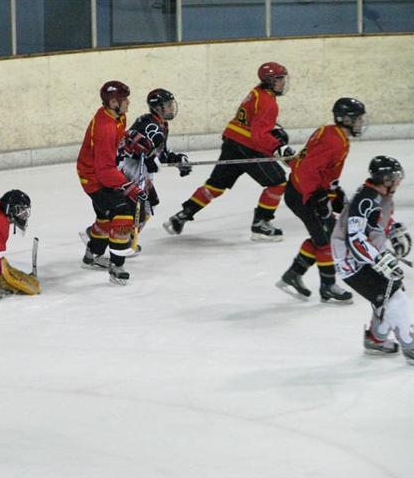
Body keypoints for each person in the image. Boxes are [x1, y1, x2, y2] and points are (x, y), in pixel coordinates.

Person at [163, 62, 292, 241]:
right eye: (279, 79)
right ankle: (261, 225)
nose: (283, 82)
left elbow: (254, 123)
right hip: (248, 148)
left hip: (232, 143)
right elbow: (259, 135)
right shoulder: (268, 102)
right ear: (269, 80)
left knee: (216, 185)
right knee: (278, 182)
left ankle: (182, 216)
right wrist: (279, 147)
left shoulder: (256, 92)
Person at [276, 98, 366, 303]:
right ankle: (328, 286)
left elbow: (313, 164)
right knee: (327, 239)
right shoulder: (335, 142)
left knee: (322, 236)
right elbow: (307, 170)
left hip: (302, 191)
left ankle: (293, 275)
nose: (361, 122)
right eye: (358, 118)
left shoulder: (328, 131)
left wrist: (333, 191)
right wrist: (317, 198)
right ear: (346, 119)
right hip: (303, 195)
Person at [331, 156, 413, 365]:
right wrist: (380, 259)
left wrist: (392, 229)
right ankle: (410, 346)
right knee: (395, 298)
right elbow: (355, 237)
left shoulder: (376, 194)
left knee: (390, 292)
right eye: (395, 177)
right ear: (385, 179)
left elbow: (375, 220)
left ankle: (376, 338)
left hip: (364, 258)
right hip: (353, 263)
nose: (398, 181)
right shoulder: (366, 199)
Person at [77, 80, 140, 285]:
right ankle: (116, 267)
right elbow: (104, 170)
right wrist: (128, 186)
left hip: (98, 172)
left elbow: (116, 144)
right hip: (94, 178)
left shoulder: (116, 116)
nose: (128, 102)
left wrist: (130, 142)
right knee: (122, 215)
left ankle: (92, 256)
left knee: (105, 218)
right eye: (124, 99)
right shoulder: (105, 128)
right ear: (113, 102)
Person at [116, 88, 192, 254]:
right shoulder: (150, 125)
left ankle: (121, 238)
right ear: (157, 107)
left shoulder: (161, 124)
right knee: (134, 209)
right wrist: (149, 160)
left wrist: (177, 160)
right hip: (131, 169)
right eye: (168, 105)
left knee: (149, 204)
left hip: (139, 170)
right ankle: (118, 241)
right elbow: (129, 144)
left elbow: (160, 152)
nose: (172, 107)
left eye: (171, 104)